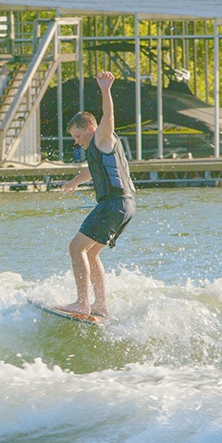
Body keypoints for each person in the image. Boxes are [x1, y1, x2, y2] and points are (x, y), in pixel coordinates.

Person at [60, 71, 136, 317]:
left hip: (113, 204)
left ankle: (82, 303)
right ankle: (101, 305)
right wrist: (73, 182)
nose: (77, 141)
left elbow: (109, 116)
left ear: (91, 128)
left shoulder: (102, 136)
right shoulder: (97, 148)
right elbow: (92, 171)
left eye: (78, 136)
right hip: (124, 205)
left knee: (76, 248)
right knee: (91, 253)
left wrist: (105, 90)